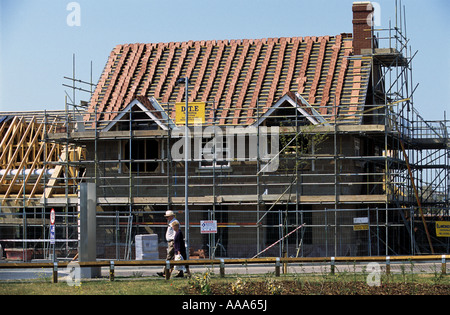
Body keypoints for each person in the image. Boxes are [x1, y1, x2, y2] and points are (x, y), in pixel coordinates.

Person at [157, 210, 179, 277]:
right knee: (173, 258)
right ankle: (168, 272)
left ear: (171, 216)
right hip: (171, 241)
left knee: (169, 257)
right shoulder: (171, 222)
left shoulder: (174, 222)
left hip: (172, 241)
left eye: (168, 217)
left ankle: (165, 272)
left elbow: (175, 232)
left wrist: (174, 242)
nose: (167, 218)